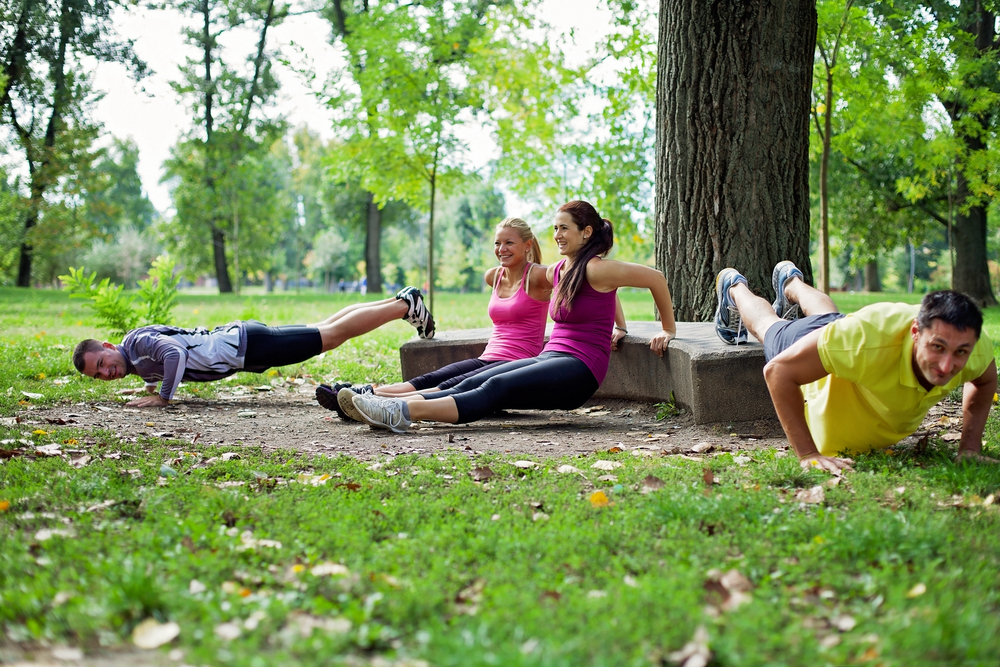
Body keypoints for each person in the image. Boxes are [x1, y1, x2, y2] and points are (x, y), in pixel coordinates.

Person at [341, 200, 676, 433]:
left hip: (580, 369)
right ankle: (382, 403)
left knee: (496, 384)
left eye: (565, 229)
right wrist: (618, 326)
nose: (557, 235)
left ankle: (400, 412)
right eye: (555, 228)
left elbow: (656, 279)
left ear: (586, 232)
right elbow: (600, 297)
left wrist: (667, 329)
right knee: (474, 381)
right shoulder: (561, 270)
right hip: (553, 356)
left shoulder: (598, 268)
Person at [712, 261, 997, 473]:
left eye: (960, 352)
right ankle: (734, 287)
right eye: (937, 347)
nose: (948, 365)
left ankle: (791, 284)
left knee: (830, 318)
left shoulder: (971, 342)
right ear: (915, 333)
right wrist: (808, 454)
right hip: (846, 344)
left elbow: (984, 380)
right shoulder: (863, 340)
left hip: (849, 336)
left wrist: (969, 447)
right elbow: (778, 371)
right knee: (768, 326)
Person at [317, 217, 563, 421]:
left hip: (515, 363)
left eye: (509, 242)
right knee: (430, 378)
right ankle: (358, 395)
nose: (501, 249)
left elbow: (573, 274)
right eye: (498, 243)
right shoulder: (494, 276)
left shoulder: (539, 277)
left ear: (527, 245)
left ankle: (369, 403)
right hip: (489, 356)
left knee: (449, 385)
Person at [71, 287, 435, 408]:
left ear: (107, 346)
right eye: (99, 375)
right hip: (243, 344)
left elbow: (174, 354)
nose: (107, 372)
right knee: (326, 329)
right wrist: (149, 386)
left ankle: (405, 307)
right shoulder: (134, 358)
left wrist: (164, 397)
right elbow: (158, 360)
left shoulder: (135, 343)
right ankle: (402, 300)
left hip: (244, 346)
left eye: (102, 362)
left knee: (332, 336)